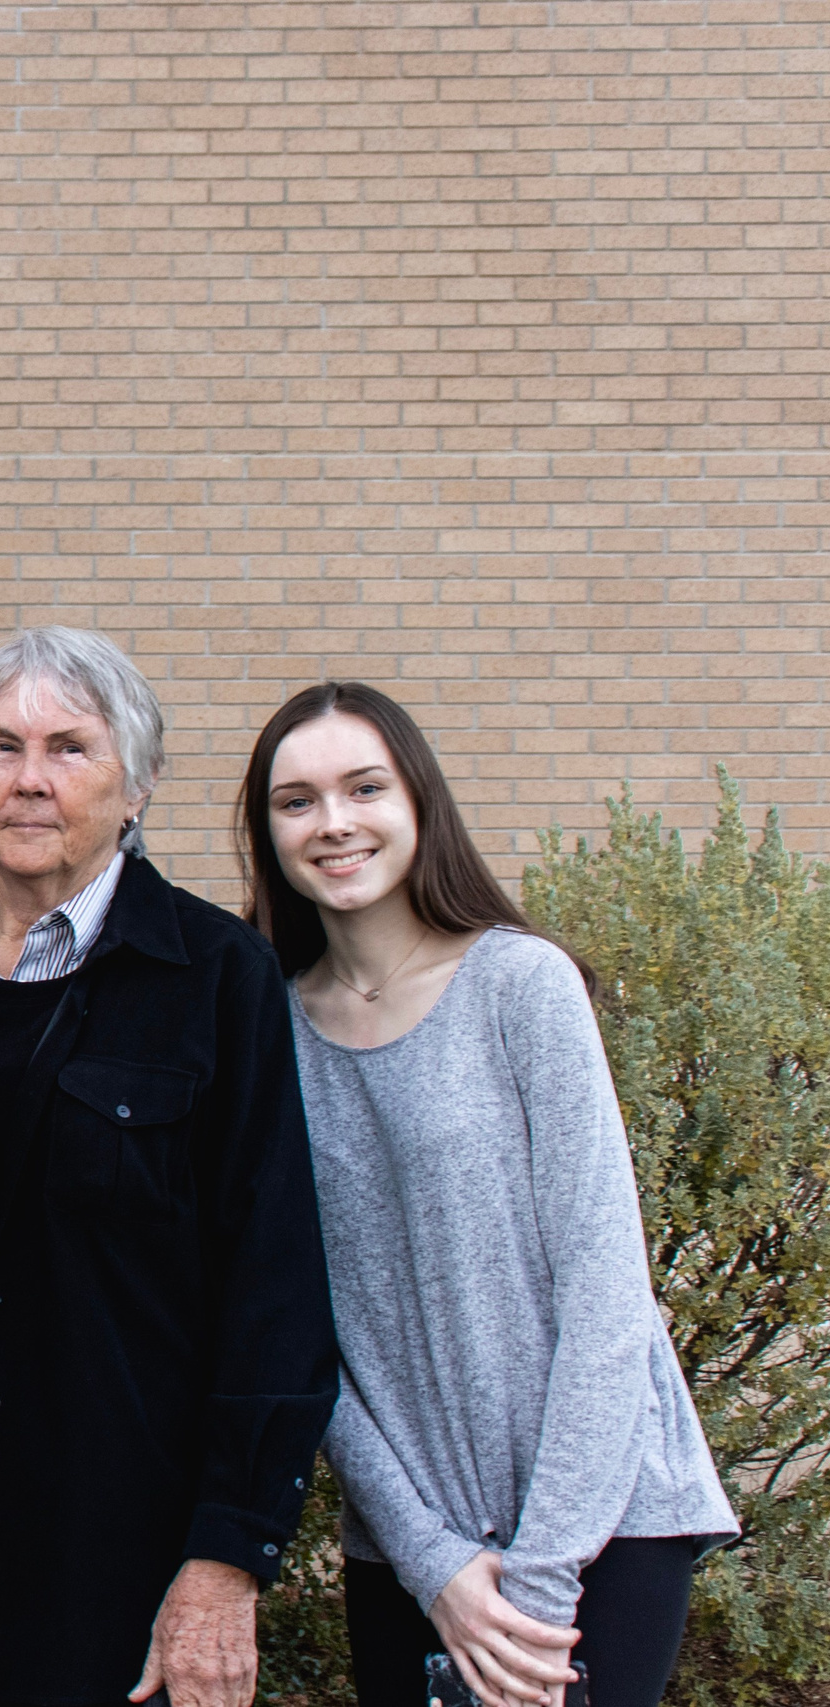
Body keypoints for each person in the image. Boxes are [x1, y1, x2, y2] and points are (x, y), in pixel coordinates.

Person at [0, 625, 339, 1707]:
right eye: (1, 748)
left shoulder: (213, 980)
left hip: (106, 1556)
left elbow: (274, 1288)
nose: (29, 781)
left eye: (69, 749)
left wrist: (224, 1560)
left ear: (135, 784)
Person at [241, 681, 738, 1707]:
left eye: (362, 787)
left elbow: (606, 1297)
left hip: (601, 1529)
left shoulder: (521, 987)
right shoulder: (266, 1035)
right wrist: (432, 1563)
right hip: (412, 1549)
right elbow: (300, 1332)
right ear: (266, 831)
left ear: (418, 801)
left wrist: (543, 1581)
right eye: (296, 801)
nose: (333, 822)